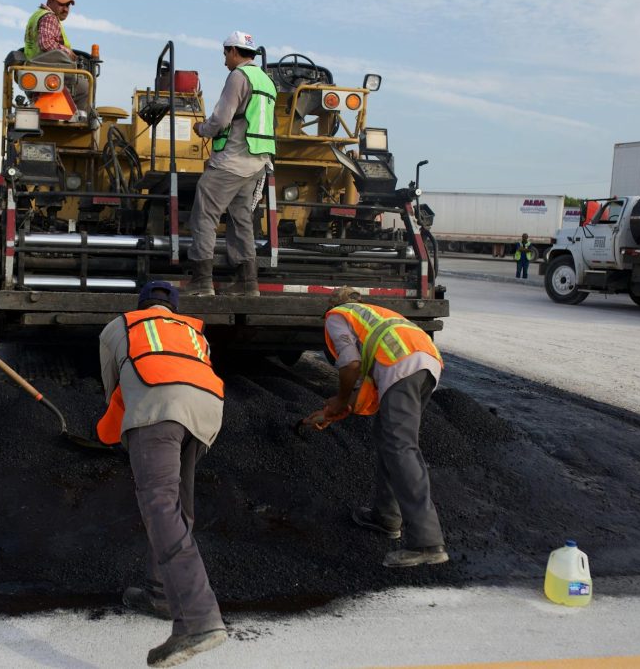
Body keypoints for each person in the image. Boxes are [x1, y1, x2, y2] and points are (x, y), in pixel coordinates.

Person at [97, 281, 228, 667]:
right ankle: (160, 592)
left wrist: (111, 433)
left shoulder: (119, 326)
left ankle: (198, 620)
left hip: (158, 409)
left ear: (141, 305)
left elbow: (117, 393)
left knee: (159, 505)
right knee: (177, 506)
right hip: (208, 412)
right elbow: (195, 376)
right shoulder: (193, 331)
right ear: (173, 308)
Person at [307, 286, 449, 567]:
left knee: (401, 447)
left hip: (403, 366)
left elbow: (350, 364)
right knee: (389, 437)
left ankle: (427, 543)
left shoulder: (337, 315)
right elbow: (368, 378)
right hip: (427, 364)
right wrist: (344, 406)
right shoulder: (376, 314)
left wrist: (339, 399)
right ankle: (386, 517)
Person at [188, 31, 277, 298]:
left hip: (231, 162)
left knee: (204, 215)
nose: (225, 60)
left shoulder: (238, 76)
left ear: (234, 52)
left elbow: (222, 120)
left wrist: (202, 129)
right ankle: (248, 283)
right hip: (257, 162)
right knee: (241, 220)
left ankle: (202, 281)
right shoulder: (266, 81)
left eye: (225, 53)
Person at [23, 0, 90, 112]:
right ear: (50, 2)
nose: (65, 9)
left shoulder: (36, 15)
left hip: (35, 71)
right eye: (61, 4)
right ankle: (80, 119)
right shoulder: (49, 17)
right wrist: (68, 52)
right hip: (49, 74)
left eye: (68, 5)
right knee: (86, 86)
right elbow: (46, 44)